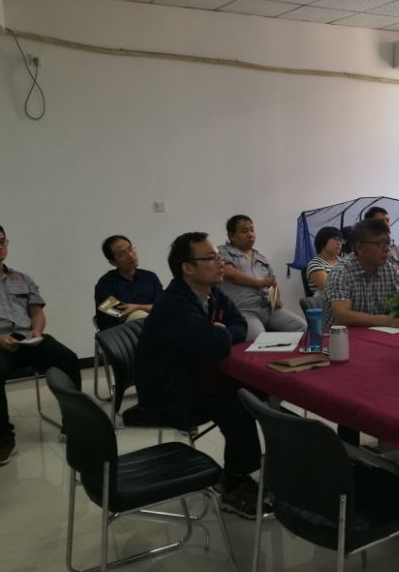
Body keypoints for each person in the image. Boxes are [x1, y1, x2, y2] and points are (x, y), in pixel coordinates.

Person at [135, 232, 268, 518]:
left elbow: (239, 324)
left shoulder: (211, 291)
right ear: (187, 267)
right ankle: (234, 483)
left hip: (196, 373)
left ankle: (265, 465)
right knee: (239, 405)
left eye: (218, 257)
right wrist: (218, 335)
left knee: (260, 392)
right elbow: (212, 344)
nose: (220, 264)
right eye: (210, 258)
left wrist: (221, 332)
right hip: (169, 389)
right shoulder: (174, 303)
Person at [0, 222, 82, 467]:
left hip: (26, 340)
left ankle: (72, 422)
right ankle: (4, 438)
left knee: (68, 359)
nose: (0, 246)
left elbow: (37, 313)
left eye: (3, 241)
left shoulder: (22, 279)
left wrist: (36, 330)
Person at [218, 215, 306, 340]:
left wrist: (275, 299)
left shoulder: (261, 258)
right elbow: (229, 273)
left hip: (268, 309)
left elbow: (271, 283)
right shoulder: (223, 251)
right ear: (231, 235)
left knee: (302, 327)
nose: (250, 234)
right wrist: (259, 283)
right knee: (258, 338)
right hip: (244, 310)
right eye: (244, 231)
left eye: (252, 230)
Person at [323, 219, 399, 329]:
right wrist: (386, 320)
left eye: (387, 243)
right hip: (342, 337)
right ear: (360, 247)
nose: (387, 249)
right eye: (379, 243)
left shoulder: (389, 270)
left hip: (378, 333)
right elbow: (342, 316)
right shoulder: (341, 272)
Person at [94, 235, 162, 330]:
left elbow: (163, 306)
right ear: (113, 262)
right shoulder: (104, 285)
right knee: (138, 315)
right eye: (122, 254)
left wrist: (137, 307)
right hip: (121, 335)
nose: (130, 255)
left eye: (130, 249)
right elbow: (121, 313)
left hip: (155, 329)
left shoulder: (150, 278)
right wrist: (147, 308)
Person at [363, 206, 399, 283]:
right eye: (381, 221)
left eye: (387, 220)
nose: (386, 224)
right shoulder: (366, 250)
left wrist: (394, 278)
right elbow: (377, 281)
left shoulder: (397, 248)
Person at [305, 226, 344, 296]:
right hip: (328, 301)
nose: (339, 243)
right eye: (335, 239)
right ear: (323, 241)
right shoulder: (315, 264)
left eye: (341, 240)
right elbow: (331, 289)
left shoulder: (344, 261)